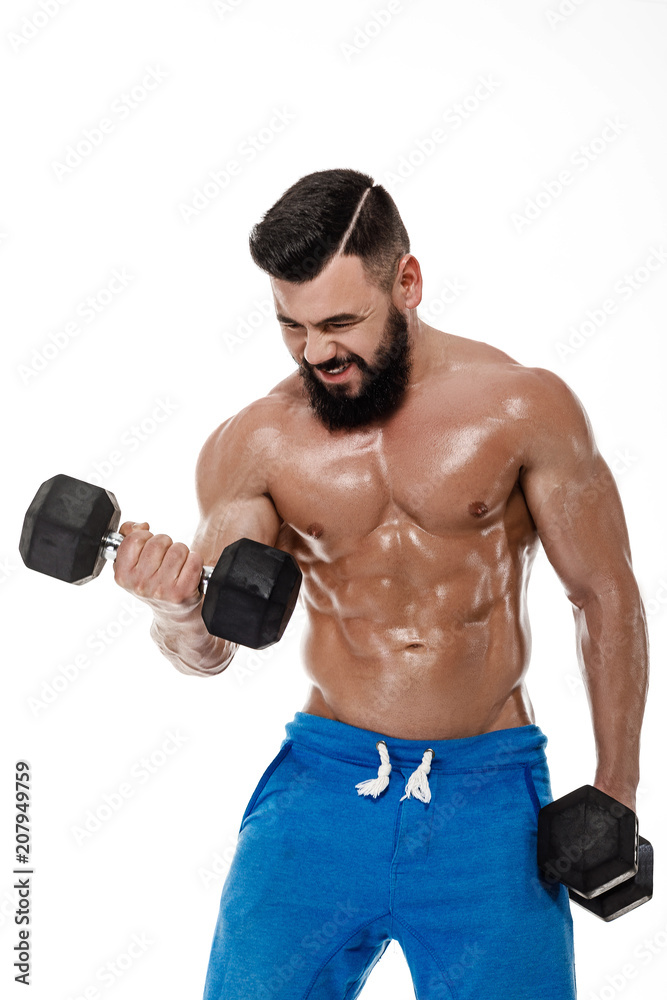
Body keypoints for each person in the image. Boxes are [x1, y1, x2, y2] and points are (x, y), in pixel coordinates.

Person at [113, 168, 649, 999]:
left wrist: (616, 788)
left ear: (406, 283)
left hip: (488, 801)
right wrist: (170, 604)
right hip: (322, 791)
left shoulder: (521, 408)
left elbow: (604, 592)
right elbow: (210, 646)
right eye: (290, 327)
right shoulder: (256, 444)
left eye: (338, 322)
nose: (316, 351)